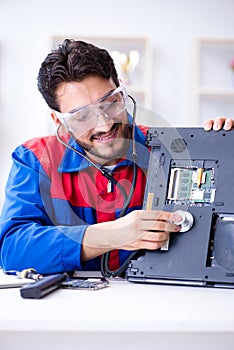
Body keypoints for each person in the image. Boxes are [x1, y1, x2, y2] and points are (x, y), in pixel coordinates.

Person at [0, 39, 232, 276]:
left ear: (123, 91)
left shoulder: (173, 149)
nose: (104, 125)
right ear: (59, 121)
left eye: (110, 103)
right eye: (82, 116)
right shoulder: (34, 159)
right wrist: (109, 235)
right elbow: (11, 249)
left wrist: (224, 150)